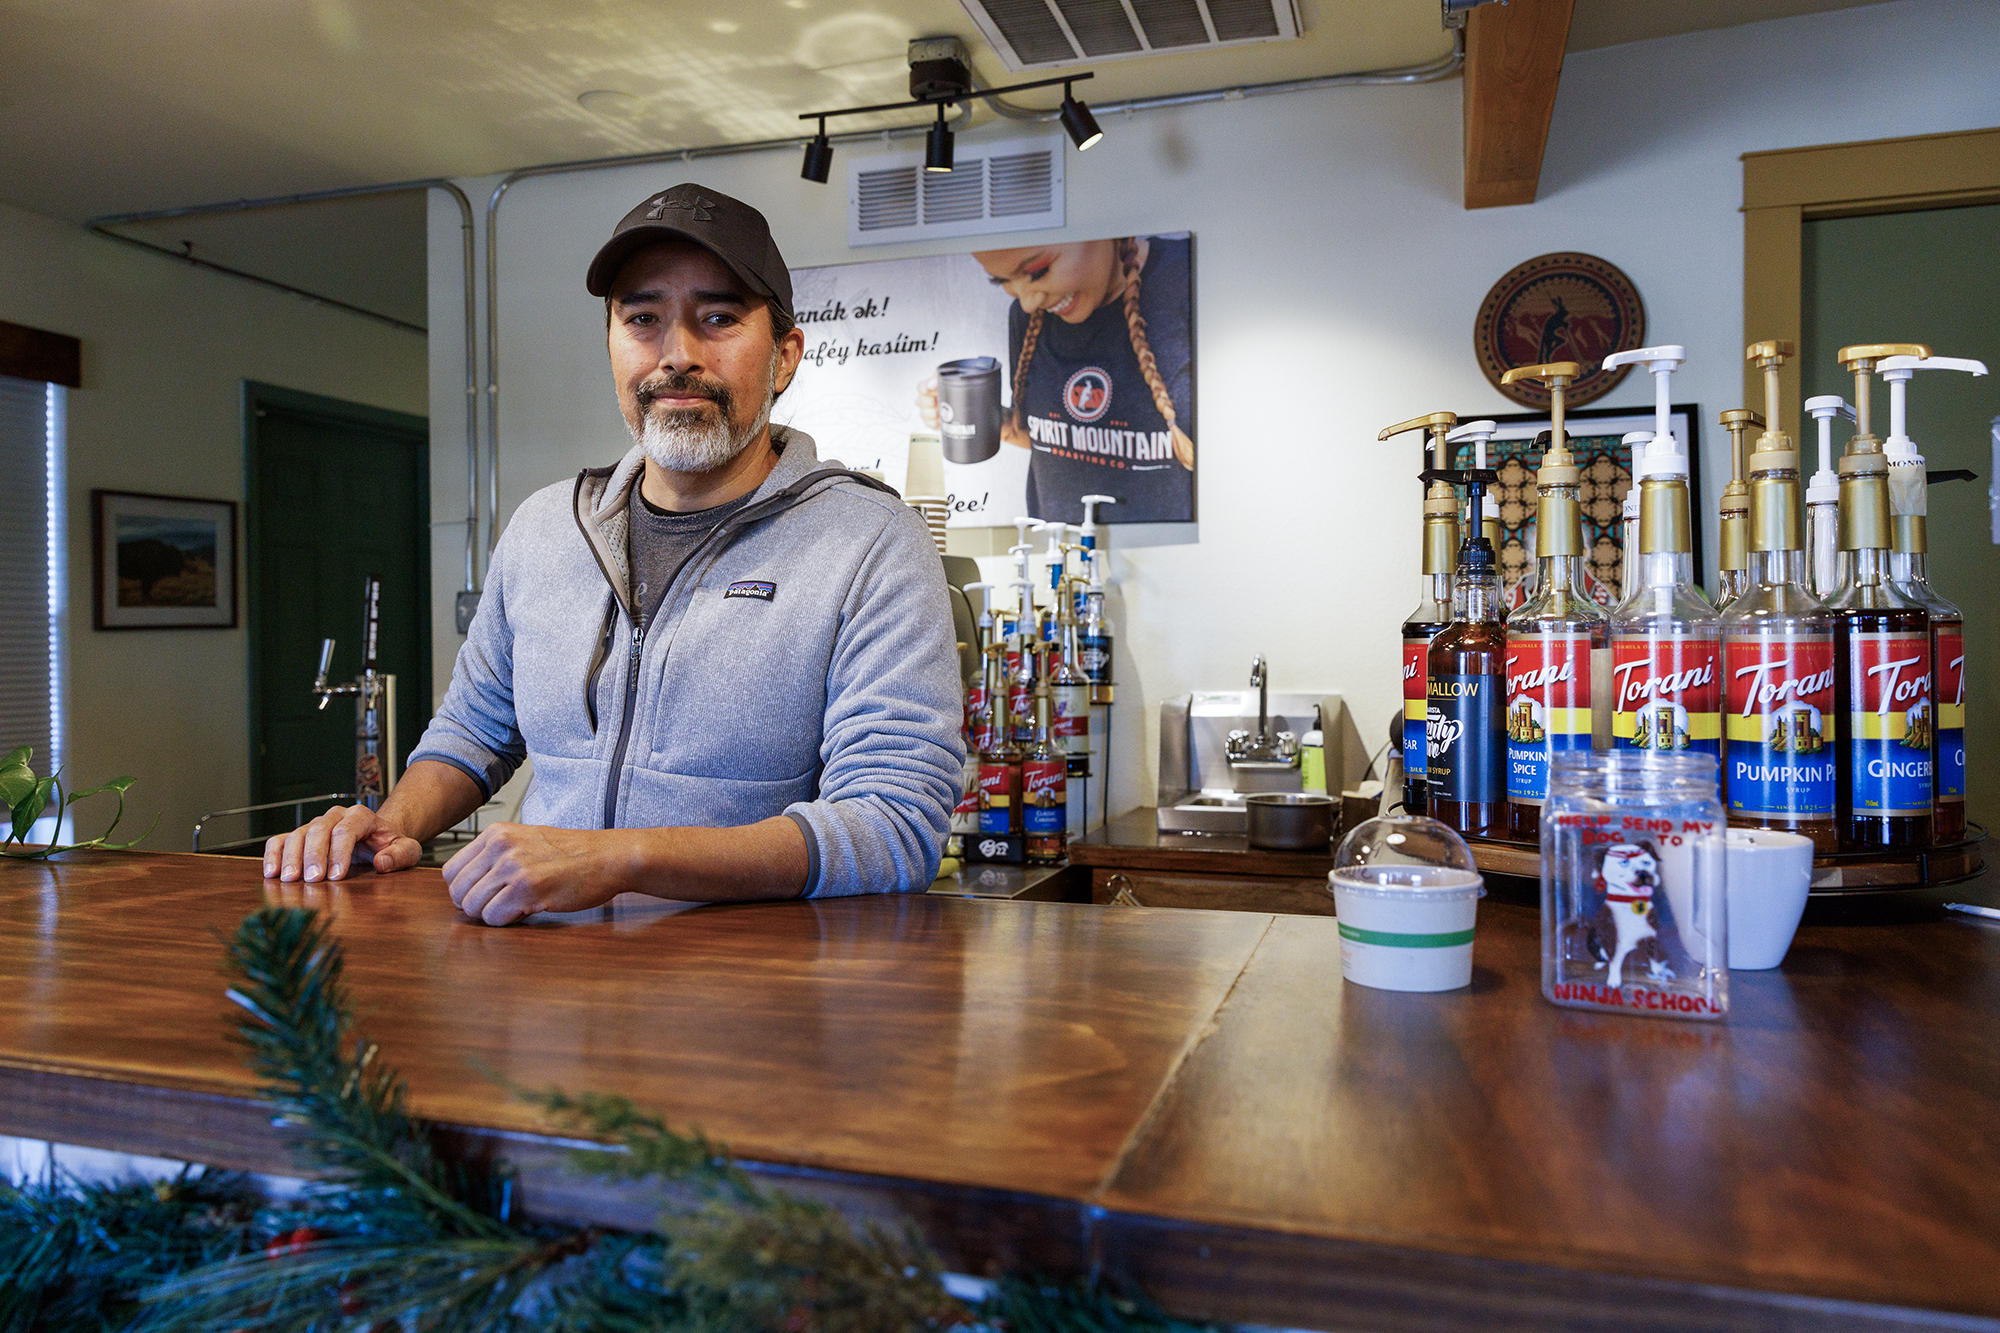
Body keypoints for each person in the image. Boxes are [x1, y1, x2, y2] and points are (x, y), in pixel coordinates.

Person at [263, 183, 965, 925]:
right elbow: (472, 729)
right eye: (642, 319)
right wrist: (389, 825)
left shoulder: (871, 542)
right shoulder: (543, 530)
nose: (678, 355)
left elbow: (895, 824)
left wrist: (622, 858)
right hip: (542, 985)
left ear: (785, 355)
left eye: (719, 318)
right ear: (611, 342)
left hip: (752, 1002)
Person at [980, 234, 1194, 525]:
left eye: (1037, 271)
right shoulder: (1027, 317)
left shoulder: (1192, 278)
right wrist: (989, 421)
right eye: (1001, 280)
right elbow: (1054, 440)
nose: (1028, 302)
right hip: (1061, 562)